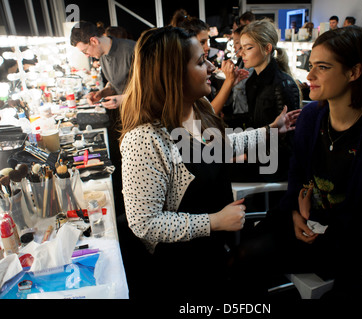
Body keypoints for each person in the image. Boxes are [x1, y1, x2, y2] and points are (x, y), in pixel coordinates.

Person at [234, 26, 362, 299]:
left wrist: (322, 230)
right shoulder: (310, 119)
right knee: (240, 257)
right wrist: (296, 210)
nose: (309, 76)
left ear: (354, 72)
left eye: (323, 67)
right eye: (311, 65)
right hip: (308, 222)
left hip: (350, 243)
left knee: (248, 259)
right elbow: (297, 175)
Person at [119, 26, 299, 299]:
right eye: (201, 61)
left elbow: (220, 148)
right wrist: (214, 221)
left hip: (213, 247)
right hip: (182, 266)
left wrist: (271, 130)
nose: (211, 66)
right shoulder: (145, 140)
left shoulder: (199, 107)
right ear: (174, 74)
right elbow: (145, 224)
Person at [70, 21, 136, 217]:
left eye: (85, 51)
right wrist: (103, 92)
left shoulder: (132, 50)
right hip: (125, 116)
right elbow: (115, 84)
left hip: (143, 116)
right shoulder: (103, 56)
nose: (86, 56)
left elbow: (152, 90)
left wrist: (122, 99)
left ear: (93, 40)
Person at [235, 18, 301, 183]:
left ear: (267, 48)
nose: (241, 54)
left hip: (276, 162)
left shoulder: (282, 85)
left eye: (248, 48)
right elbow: (253, 124)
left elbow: (287, 142)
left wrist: (247, 155)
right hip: (259, 152)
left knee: (215, 166)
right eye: (241, 48)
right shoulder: (251, 82)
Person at [178, 15, 249, 114]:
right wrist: (228, 82)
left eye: (207, 41)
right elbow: (206, 116)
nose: (207, 47)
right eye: (202, 42)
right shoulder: (185, 77)